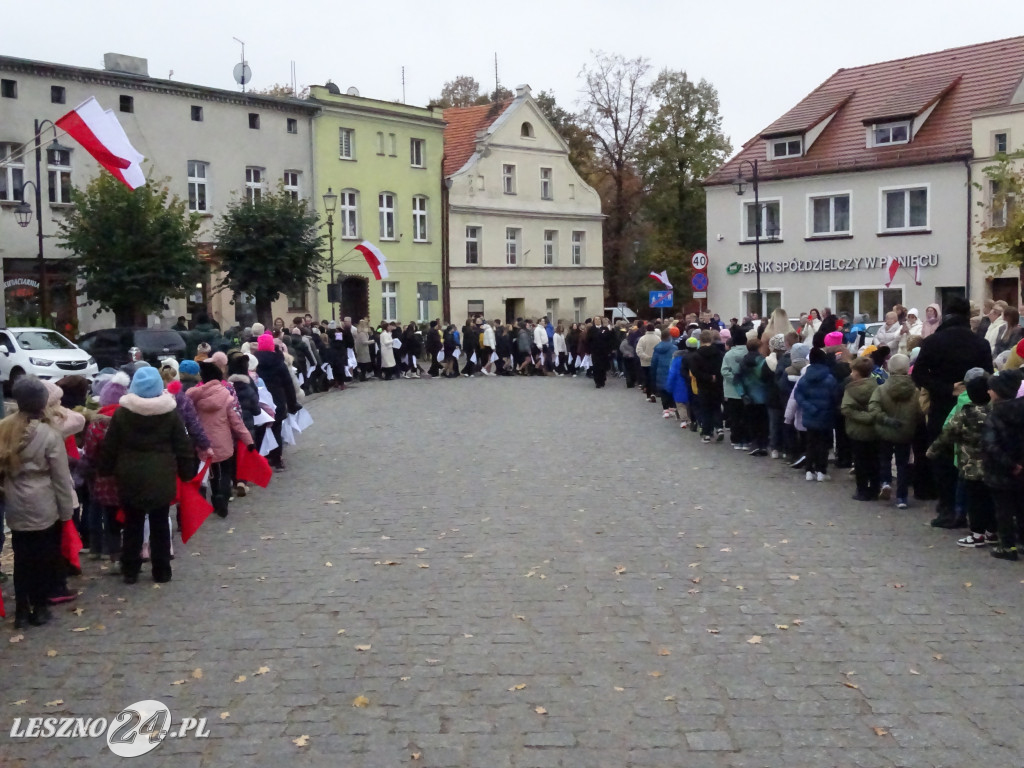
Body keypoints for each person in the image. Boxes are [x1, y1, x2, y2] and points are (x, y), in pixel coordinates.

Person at [97, 367, 194, 584]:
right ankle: (161, 570)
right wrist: (187, 472)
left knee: (132, 524)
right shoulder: (169, 414)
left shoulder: (122, 414)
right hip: (162, 474)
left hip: (129, 475)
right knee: (160, 523)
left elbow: (110, 446)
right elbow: (183, 445)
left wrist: (105, 470)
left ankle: (130, 569)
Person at [0, 377, 76, 628]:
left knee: (22, 557)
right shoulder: (49, 434)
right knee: (43, 557)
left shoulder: (4, 429)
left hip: (14, 499)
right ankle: (40, 606)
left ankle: (22, 608)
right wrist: (66, 511)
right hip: (43, 501)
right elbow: (60, 477)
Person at [912, 297, 994, 523]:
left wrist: (947, 389)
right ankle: (969, 510)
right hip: (974, 406)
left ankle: (947, 508)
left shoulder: (933, 342)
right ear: (967, 315)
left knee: (943, 458)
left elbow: (918, 375)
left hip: (942, 406)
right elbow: (988, 375)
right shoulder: (980, 343)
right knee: (971, 459)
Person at [927, 373, 994, 547]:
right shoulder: (994, 411)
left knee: (975, 499)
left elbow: (947, 433)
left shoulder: (966, 413)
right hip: (993, 463)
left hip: (971, 464)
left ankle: (977, 533)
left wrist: (932, 451)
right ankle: (991, 531)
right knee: (990, 498)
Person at [188, 362, 255, 518]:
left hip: (204, 442)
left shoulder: (195, 396)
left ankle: (215, 498)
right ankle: (223, 498)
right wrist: (248, 440)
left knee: (212, 473)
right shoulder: (226, 396)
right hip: (224, 441)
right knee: (226, 471)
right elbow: (236, 422)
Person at [980, 369, 1024, 560]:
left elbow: (990, 444)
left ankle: (1007, 546)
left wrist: (1010, 463)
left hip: (1000, 470)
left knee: (1004, 509)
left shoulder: (995, 415)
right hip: (1021, 469)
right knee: (1021, 506)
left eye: (991, 389)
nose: (989, 392)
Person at [869, 353, 920, 508]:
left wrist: (884, 419)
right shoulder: (915, 391)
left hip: (885, 429)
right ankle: (902, 498)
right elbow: (920, 411)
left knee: (884, 458)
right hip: (905, 432)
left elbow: (873, 407)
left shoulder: (881, 389)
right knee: (902, 464)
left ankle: (885, 482)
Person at [252, 333, 299, 470]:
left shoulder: (255, 363)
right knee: (276, 430)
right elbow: (288, 384)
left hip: (260, 401)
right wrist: (292, 403)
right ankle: (277, 459)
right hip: (277, 399)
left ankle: (263, 459)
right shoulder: (279, 362)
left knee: (260, 430)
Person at [793, 347, 839, 482]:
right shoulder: (830, 378)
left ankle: (809, 470)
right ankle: (821, 471)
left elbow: (798, 395)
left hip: (810, 415)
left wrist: (809, 407)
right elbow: (835, 397)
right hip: (825, 416)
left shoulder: (805, 378)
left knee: (811, 443)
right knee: (823, 444)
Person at [841, 357, 880, 501]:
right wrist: (871, 417)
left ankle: (862, 490)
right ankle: (875, 488)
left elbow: (846, 408)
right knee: (874, 460)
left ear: (856, 372)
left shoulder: (850, 389)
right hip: (874, 430)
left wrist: (862, 417)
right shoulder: (877, 387)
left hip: (857, 430)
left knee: (860, 461)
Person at [688, 330, 725, 443]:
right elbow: (722, 368)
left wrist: (707, 377)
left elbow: (695, 372)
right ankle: (719, 428)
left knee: (705, 409)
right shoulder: (719, 353)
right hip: (717, 385)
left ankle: (707, 433)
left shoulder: (696, 355)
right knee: (716, 407)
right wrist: (716, 377)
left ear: (701, 340)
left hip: (703, 385)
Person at [650, 329, 677, 417]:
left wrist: (653, 372)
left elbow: (654, 362)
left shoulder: (657, 348)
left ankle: (665, 409)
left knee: (662, 391)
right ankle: (672, 408)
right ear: (669, 337)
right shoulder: (674, 348)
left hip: (660, 371)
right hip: (671, 371)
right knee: (671, 390)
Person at [635, 324, 660, 401]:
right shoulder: (658, 338)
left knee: (647, 378)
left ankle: (649, 395)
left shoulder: (642, 339)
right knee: (654, 378)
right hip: (656, 362)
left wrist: (646, 357)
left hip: (645, 363)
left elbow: (639, 351)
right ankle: (654, 393)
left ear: (646, 330)